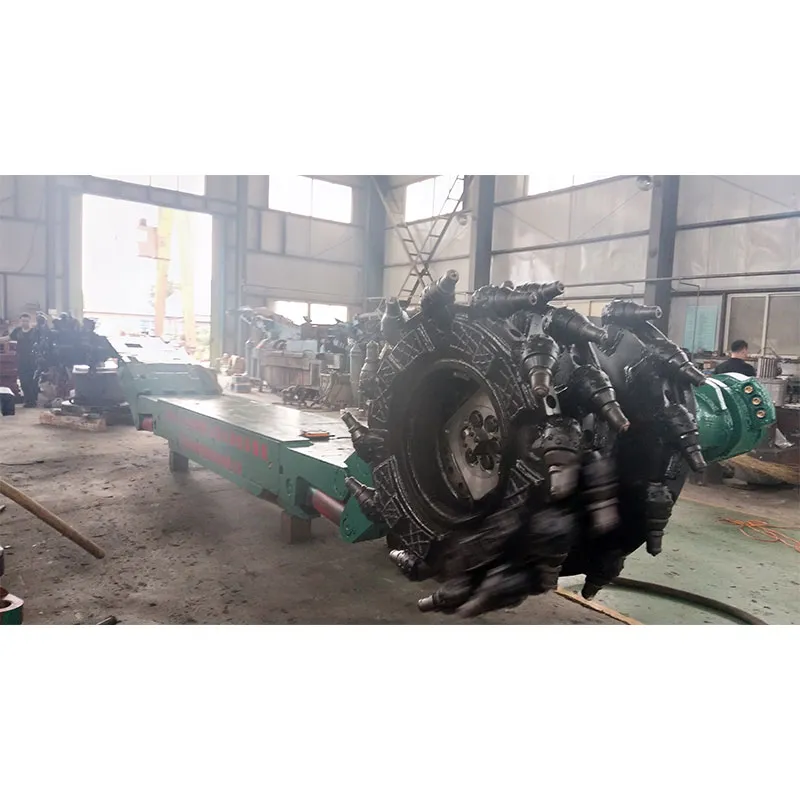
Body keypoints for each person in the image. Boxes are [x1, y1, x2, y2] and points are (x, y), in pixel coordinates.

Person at [2, 313, 41, 407]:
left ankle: (32, 401)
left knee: (32, 381)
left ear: (30, 321)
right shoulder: (17, 331)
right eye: (23, 321)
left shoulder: (35, 332)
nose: (25, 323)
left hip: (33, 359)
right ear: (20, 321)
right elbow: (8, 338)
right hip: (22, 359)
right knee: (23, 381)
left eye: (26, 321)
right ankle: (29, 400)